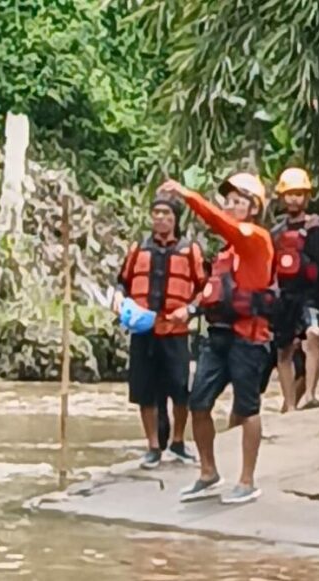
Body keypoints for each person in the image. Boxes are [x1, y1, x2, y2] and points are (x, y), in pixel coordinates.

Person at [159, 173, 274, 504]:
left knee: (247, 407)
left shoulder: (255, 238)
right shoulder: (226, 253)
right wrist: (190, 309)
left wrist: (187, 195)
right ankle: (208, 472)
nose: (230, 206)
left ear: (253, 208)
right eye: (229, 200)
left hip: (248, 338)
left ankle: (247, 480)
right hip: (219, 337)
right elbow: (213, 290)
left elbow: (221, 223)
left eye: (238, 201)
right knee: (198, 402)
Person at [117, 191, 205, 469]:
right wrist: (119, 301)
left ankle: (178, 441)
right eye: (156, 213)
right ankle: (153, 446)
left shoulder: (190, 250)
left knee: (180, 389)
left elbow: (206, 288)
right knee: (145, 391)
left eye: (167, 214)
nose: (161, 218)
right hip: (144, 331)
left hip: (175, 332)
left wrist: (189, 310)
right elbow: (122, 283)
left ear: (176, 219)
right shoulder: (138, 249)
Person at [271, 167, 319, 411]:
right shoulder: (276, 233)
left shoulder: (315, 229)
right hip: (285, 296)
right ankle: (289, 403)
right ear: (282, 197)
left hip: (310, 295)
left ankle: (310, 393)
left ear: (306, 197)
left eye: (299, 194)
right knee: (284, 350)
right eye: (289, 194)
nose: (293, 199)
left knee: (313, 337)